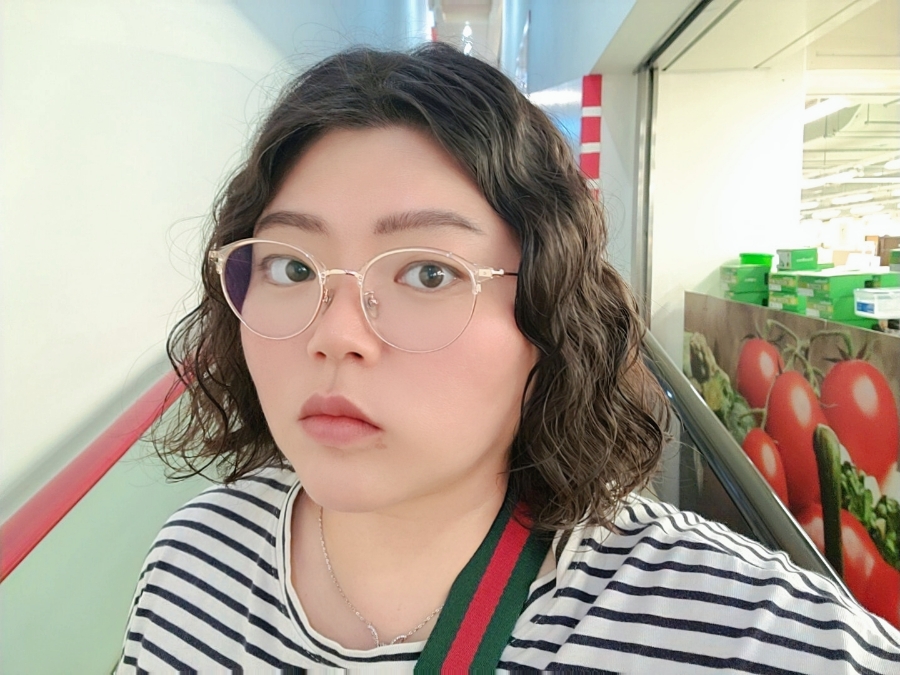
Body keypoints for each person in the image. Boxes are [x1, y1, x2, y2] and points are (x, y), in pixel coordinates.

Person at [117, 42, 900, 672]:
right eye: (292, 267)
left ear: (547, 316)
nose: (336, 333)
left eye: (429, 273)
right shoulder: (195, 559)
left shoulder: (737, 631)